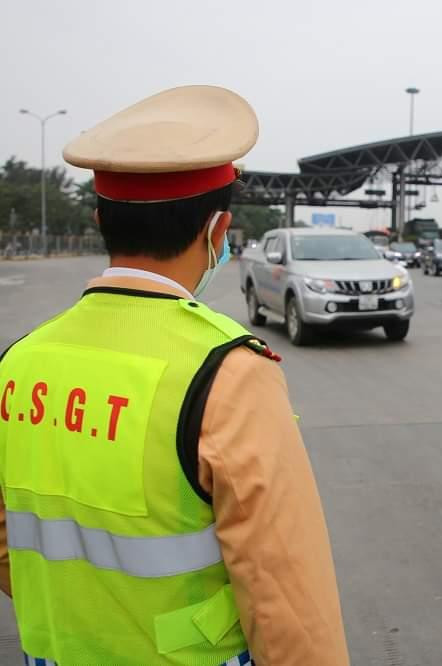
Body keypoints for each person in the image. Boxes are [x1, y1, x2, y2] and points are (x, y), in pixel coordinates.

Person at [0, 86, 349, 665]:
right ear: (218, 231)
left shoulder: (20, 361)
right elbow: (283, 594)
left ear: (98, 221)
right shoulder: (227, 373)